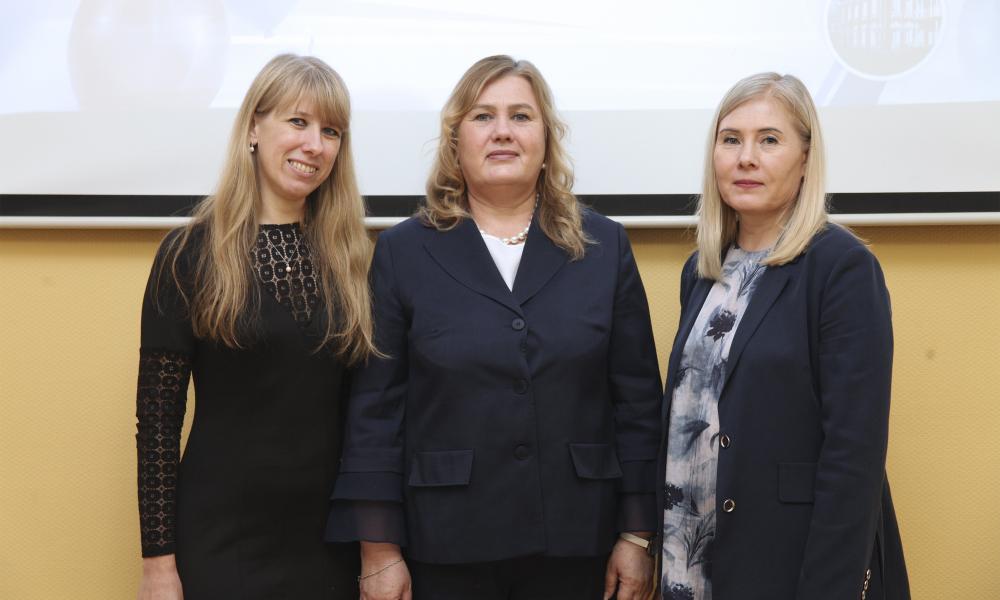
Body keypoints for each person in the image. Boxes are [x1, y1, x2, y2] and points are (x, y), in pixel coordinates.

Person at [325, 55, 663, 600]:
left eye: (521, 116)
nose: (502, 131)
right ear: (454, 140)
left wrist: (637, 534)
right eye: (483, 116)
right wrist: (379, 550)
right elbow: (375, 413)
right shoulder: (402, 252)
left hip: (581, 543)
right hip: (445, 544)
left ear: (546, 139)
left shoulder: (605, 247)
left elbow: (638, 402)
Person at [655, 72, 909, 600]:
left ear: (805, 159)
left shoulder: (841, 268)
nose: (746, 158)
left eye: (769, 140)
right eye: (731, 139)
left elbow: (854, 455)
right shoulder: (701, 271)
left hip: (785, 561)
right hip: (690, 554)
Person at [134, 54, 374, 599]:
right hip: (222, 540)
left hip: (327, 544)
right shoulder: (189, 254)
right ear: (252, 129)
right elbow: (157, 425)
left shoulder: (353, 259)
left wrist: (375, 548)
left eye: (331, 131)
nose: (315, 145)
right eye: (298, 122)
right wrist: (158, 565)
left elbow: (365, 419)